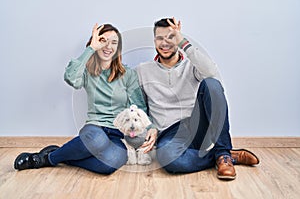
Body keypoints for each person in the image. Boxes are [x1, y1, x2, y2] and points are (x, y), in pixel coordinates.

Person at [14, 23, 148, 174]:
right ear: (96, 42)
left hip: (119, 133)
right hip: (95, 127)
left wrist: (148, 131)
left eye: (114, 43)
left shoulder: (128, 74)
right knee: (98, 141)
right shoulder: (87, 72)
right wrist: (90, 49)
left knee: (109, 165)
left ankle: (62, 155)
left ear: (118, 49)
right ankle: (44, 159)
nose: (108, 46)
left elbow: (139, 107)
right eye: (104, 41)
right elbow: (70, 78)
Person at [137, 17, 259, 180]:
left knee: (211, 84)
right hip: (169, 132)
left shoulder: (192, 65)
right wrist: (149, 128)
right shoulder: (142, 70)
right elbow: (139, 107)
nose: (164, 43)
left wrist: (183, 43)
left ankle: (223, 154)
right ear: (154, 41)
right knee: (169, 160)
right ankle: (222, 156)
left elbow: (212, 75)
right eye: (160, 38)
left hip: (196, 124)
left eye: (170, 37)